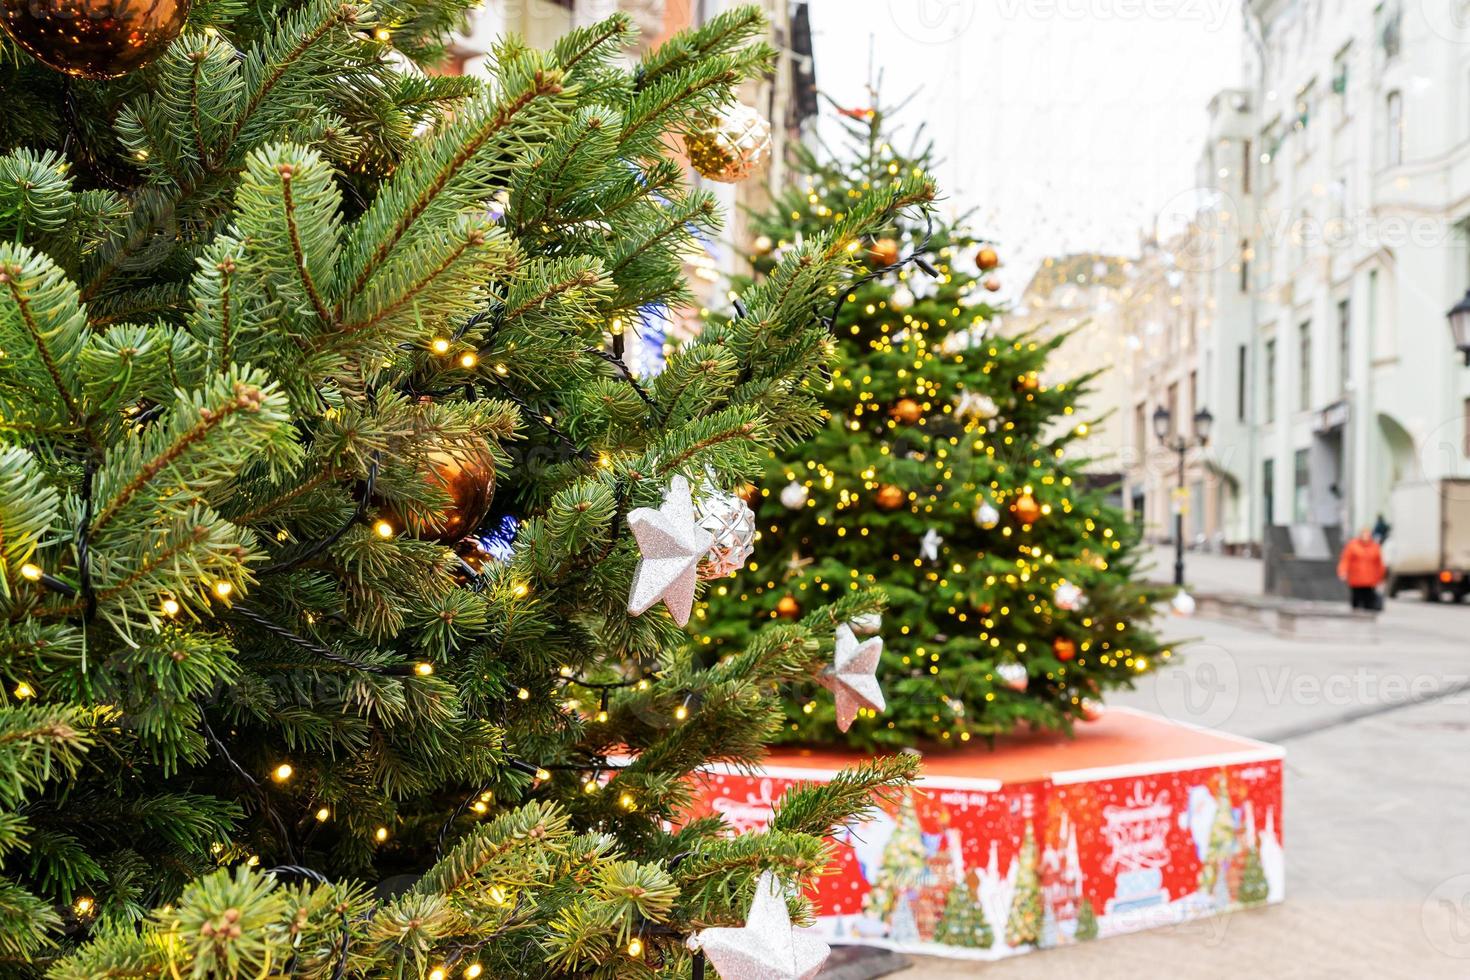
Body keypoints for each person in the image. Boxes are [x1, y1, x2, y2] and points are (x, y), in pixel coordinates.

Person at [1338, 527, 1386, 611]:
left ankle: (1366, 620)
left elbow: (1379, 564)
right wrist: (1342, 571)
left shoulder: (1375, 547)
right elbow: (1345, 560)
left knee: (1368, 603)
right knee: (1356, 602)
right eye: (1364, 534)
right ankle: (1355, 618)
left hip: (1370, 581)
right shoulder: (1352, 545)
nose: (1365, 536)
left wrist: (1381, 578)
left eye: (1367, 534)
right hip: (1356, 580)